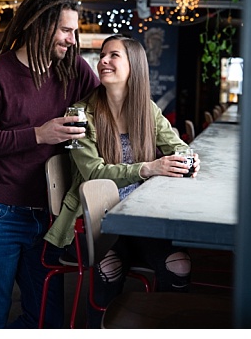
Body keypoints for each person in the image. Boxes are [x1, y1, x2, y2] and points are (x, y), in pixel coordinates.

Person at [0, 0, 99, 328]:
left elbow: (110, 111)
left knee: (46, 319)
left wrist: (168, 152)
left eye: (74, 31)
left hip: (48, 216)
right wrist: (39, 134)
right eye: (66, 30)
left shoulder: (73, 70)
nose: (72, 39)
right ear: (40, 26)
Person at [43, 34, 195, 328]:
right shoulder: (79, 114)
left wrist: (188, 158)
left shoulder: (147, 109)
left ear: (134, 65)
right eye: (102, 55)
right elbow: (93, 174)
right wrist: (147, 168)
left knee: (179, 265)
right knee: (108, 268)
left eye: (114, 55)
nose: (103, 61)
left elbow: (179, 147)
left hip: (142, 219)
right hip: (97, 222)